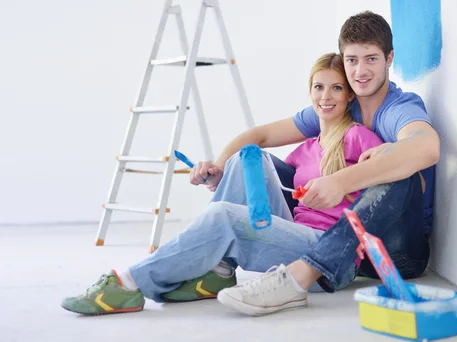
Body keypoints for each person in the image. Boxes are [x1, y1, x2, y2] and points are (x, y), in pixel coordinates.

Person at [61, 52, 384, 315]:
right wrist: (219, 170)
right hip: (295, 236)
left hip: (325, 258)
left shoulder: (358, 137)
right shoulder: (306, 150)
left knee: (224, 216)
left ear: (349, 95)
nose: (326, 97)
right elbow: (261, 179)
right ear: (309, 92)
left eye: (337, 88)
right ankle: (219, 270)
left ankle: (129, 284)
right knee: (247, 157)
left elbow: (388, 184)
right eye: (319, 87)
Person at [215, 10, 439, 316]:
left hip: (396, 250)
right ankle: (217, 266)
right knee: (255, 159)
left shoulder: (399, 107)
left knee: (398, 170)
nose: (361, 70)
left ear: (389, 60)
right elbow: (262, 135)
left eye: (371, 59)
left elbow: (426, 146)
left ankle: (299, 277)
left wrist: (343, 180)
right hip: (346, 242)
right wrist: (218, 167)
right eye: (352, 60)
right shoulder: (342, 105)